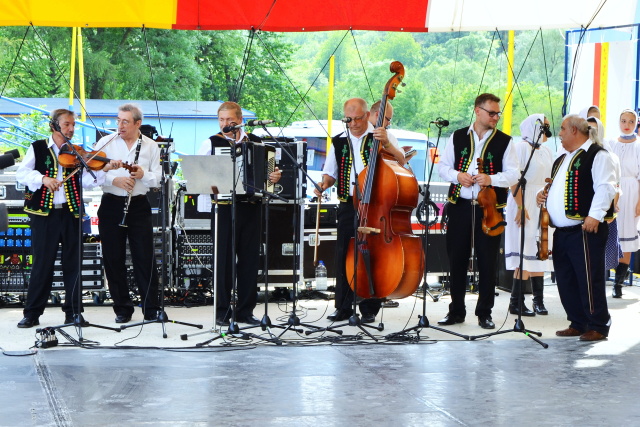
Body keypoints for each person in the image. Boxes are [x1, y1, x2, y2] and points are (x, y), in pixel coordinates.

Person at [15, 109, 115, 328]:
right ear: (54, 126)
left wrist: (104, 168)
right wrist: (43, 179)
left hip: (71, 214)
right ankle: (32, 313)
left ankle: (74, 312)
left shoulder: (77, 153)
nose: (71, 129)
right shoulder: (38, 147)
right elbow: (21, 173)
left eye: (73, 125)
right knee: (42, 264)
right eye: (67, 124)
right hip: (45, 215)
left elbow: (88, 181)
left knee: (73, 264)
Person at [315, 98, 406, 324]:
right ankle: (343, 306)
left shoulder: (381, 135)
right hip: (348, 203)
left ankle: (369, 307)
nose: (353, 123)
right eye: (349, 119)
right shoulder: (339, 140)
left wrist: (387, 144)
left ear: (367, 116)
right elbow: (330, 173)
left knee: (373, 254)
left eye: (357, 118)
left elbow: (401, 161)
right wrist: (323, 185)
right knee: (344, 253)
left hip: (376, 204)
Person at [437, 93, 519, 329]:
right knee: (457, 259)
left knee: (487, 261)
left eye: (497, 113)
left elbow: (514, 174)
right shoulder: (457, 136)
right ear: (477, 111)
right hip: (460, 206)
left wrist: (491, 178)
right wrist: (457, 176)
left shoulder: (505, 141)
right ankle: (456, 311)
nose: (495, 117)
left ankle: (485, 312)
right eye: (491, 113)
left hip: (490, 209)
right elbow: (443, 167)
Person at [197, 101, 281, 326]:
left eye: (229, 120)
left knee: (250, 261)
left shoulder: (257, 142)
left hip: (251, 207)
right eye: (221, 120)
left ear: (240, 120)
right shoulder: (211, 142)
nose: (225, 124)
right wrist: (212, 183)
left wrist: (274, 177)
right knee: (223, 262)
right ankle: (222, 311)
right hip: (224, 208)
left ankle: (245, 311)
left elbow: (269, 178)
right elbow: (200, 177)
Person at [537, 114, 615, 341]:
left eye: (562, 129)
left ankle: (598, 325)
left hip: (585, 228)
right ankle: (578, 322)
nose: (559, 134)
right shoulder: (562, 158)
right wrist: (542, 195)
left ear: (574, 131)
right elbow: (557, 187)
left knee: (589, 279)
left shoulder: (598, 155)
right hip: (562, 231)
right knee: (566, 278)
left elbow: (606, 187)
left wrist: (595, 215)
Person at [94, 103, 162, 324]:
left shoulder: (151, 146)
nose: (120, 125)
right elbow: (92, 175)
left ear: (137, 123)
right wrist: (114, 180)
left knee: (145, 257)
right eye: (118, 121)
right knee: (113, 258)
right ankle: (122, 308)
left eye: (125, 121)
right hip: (111, 204)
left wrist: (143, 175)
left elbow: (157, 178)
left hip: (139, 205)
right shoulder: (106, 143)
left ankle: (151, 308)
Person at [504, 114, 554, 316]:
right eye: (544, 126)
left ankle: (538, 301)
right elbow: (513, 179)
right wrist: (520, 206)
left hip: (541, 201)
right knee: (523, 250)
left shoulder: (547, 150)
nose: (547, 130)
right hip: (523, 200)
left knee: (539, 249)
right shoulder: (521, 148)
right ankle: (516, 302)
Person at [609, 109, 640, 298]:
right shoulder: (611, 143)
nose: (626, 125)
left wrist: (639, 202)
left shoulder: (638, 145)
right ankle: (609, 275)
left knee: (626, 235)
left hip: (631, 192)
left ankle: (618, 283)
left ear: (636, 123)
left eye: (630, 121)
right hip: (613, 190)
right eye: (623, 121)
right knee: (611, 234)